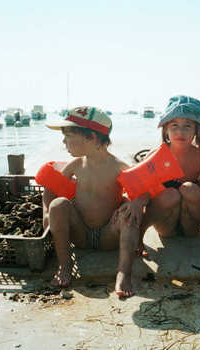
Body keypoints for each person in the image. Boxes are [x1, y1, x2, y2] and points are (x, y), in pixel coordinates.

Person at [43, 106, 146, 297]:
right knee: (58, 205)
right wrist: (48, 214)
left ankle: (124, 272)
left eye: (68, 135)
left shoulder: (119, 167)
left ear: (92, 137)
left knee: (129, 215)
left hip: (109, 235)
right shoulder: (75, 165)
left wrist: (135, 203)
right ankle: (65, 264)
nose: (63, 141)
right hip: (80, 233)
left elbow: (143, 190)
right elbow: (52, 190)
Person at [133, 94, 200, 254]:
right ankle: (139, 235)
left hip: (191, 224)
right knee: (170, 194)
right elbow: (142, 189)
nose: (180, 131)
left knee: (189, 188)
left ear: (197, 130)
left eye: (187, 126)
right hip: (166, 224)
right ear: (165, 129)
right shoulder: (156, 155)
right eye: (174, 125)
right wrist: (138, 202)